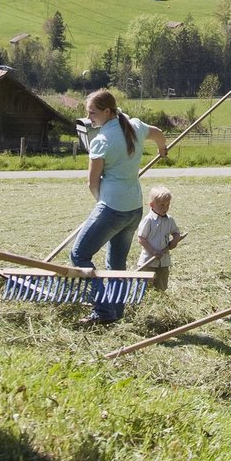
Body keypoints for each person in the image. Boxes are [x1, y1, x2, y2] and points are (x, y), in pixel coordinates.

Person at [70, 89, 168, 325]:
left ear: (107, 111)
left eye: (92, 113)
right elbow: (158, 133)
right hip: (133, 208)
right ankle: (116, 311)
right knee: (116, 263)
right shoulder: (134, 126)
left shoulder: (102, 141)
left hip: (112, 208)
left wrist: (102, 205)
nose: (89, 118)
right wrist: (161, 148)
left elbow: (92, 183)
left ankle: (103, 310)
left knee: (79, 254)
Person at [135, 184, 185, 291]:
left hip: (164, 261)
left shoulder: (169, 220)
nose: (165, 208)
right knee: (146, 288)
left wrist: (175, 241)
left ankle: (160, 297)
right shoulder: (148, 220)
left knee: (161, 286)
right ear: (152, 205)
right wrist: (153, 251)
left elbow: (176, 233)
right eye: (162, 205)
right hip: (148, 261)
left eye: (167, 205)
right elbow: (141, 238)